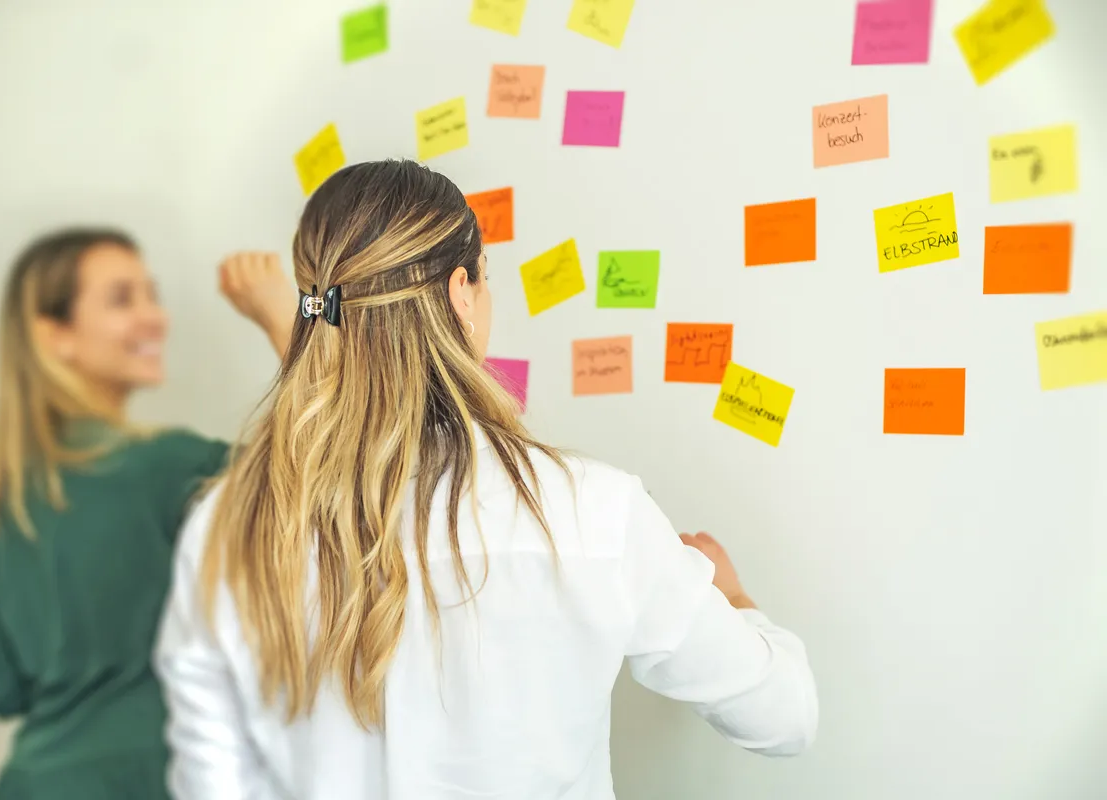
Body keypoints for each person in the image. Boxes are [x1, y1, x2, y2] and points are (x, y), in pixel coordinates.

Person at [156, 160, 819, 799]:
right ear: (460, 293)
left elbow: (209, 776)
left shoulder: (227, 526)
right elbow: (785, 718)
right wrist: (734, 598)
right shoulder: (594, 513)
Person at [0, 228, 298, 800]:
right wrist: (284, 314)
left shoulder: (7, 496)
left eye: (153, 295)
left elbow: (1, 690)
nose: (156, 317)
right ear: (54, 336)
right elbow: (335, 468)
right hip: (144, 780)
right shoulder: (163, 467)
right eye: (123, 300)